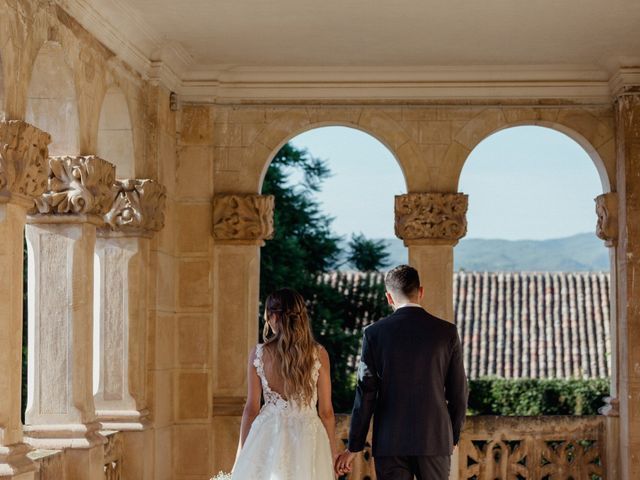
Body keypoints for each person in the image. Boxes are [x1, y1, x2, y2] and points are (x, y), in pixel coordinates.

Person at [335, 265, 468, 480]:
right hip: (434, 438)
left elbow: (366, 393)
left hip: (390, 441)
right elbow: (458, 391)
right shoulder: (446, 332)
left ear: (389, 297)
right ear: (421, 292)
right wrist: (451, 435)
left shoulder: (374, 333)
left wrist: (354, 446)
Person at [231, 288, 337, 479]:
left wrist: (242, 454)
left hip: (268, 433)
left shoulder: (259, 353)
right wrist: (332, 454)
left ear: (272, 316)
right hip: (308, 437)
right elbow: (326, 412)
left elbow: (251, 408)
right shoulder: (319, 354)